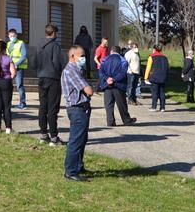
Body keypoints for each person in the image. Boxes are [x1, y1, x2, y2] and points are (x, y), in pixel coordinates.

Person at [61, 45, 94, 182]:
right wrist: (90, 88)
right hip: (76, 108)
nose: (84, 58)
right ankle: (70, 170)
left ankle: (78, 165)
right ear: (73, 56)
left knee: (82, 139)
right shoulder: (71, 70)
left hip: (82, 107)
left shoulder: (78, 69)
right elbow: (88, 90)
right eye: (81, 56)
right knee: (75, 140)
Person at [34, 24, 66, 145]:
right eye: (56, 33)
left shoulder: (38, 45)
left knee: (43, 106)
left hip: (41, 77)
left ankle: (43, 134)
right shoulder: (55, 46)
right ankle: (54, 137)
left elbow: (34, 62)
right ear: (53, 33)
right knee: (52, 108)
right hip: (53, 78)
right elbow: (58, 63)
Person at [98, 45, 137, 127]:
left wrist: (107, 79)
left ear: (111, 51)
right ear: (119, 52)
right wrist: (114, 79)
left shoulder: (105, 60)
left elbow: (101, 71)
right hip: (118, 85)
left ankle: (110, 121)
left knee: (108, 104)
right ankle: (126, 120)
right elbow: (123, 73)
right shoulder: (123, 60)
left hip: (107, 85)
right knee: (121, 104)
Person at [6, 28, 29, 109]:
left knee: (19, 85)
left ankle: (22, 103)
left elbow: (24, 55)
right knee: (8, 85)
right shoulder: (8, 44)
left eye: (13, 35)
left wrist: (16, 64)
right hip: (9, 68)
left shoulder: (21, 43)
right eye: (10, 36)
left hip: (18, 68)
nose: (12, 37)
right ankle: (8, 102)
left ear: (16, 35)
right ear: (8, 36)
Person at [143, 45, 168, 112]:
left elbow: (148, 68)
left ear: (154, 49)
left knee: (155, 92)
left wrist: (146, 77)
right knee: (162, 92)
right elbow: (167, 68)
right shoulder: (165, 57)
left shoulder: (151, 57)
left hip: (154, 77)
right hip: (163, 77)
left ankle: (154, 106)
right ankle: (162, 107)